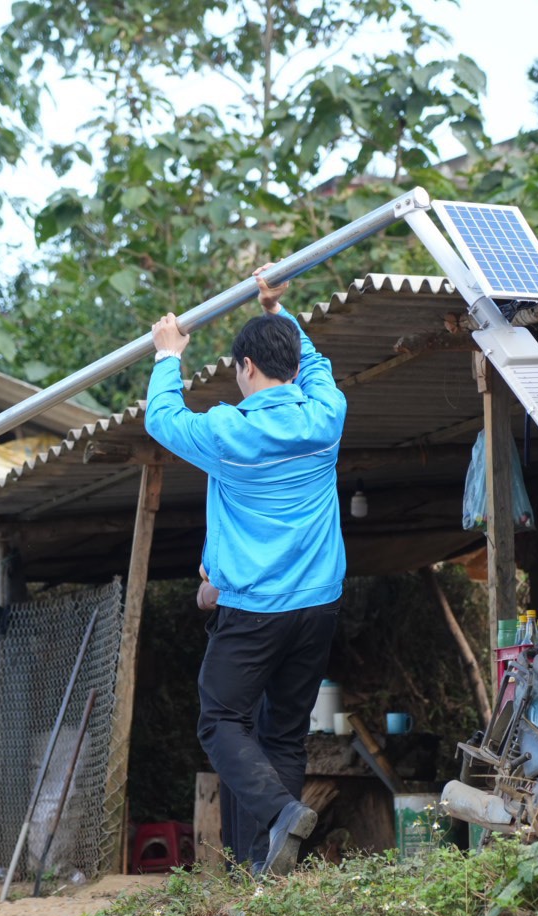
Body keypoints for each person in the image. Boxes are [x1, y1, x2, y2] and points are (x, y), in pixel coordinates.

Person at [145, 267, 346, 875]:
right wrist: (280, 315)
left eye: (237, 369)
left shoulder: (229, 432)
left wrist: (166, 355)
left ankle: (282, 814)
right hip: (318, 606)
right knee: (282, 732)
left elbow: (162, 419)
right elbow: (313, 367)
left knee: (220, 719)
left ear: (248, 368)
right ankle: (267, 866)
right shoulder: (326, 417)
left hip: (256, 609)